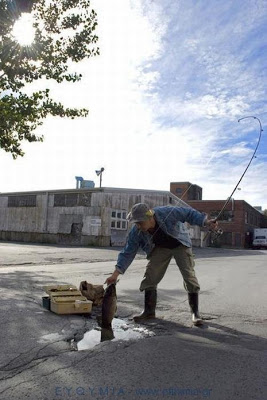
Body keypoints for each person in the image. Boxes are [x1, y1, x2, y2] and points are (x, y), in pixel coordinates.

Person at [105, 203, 218, 325]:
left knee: (189, 275)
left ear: (150, 217)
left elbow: (188, 213)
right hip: (159, 248)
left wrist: (205, 222)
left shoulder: (167, 212)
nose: (138, 226)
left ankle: (195, 313)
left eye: (140, 222)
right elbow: (128, 252)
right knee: (150, 276)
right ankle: (149, 312)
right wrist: (115, 275)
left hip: (180, 244)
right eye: (135, 223)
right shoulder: (136, 231)